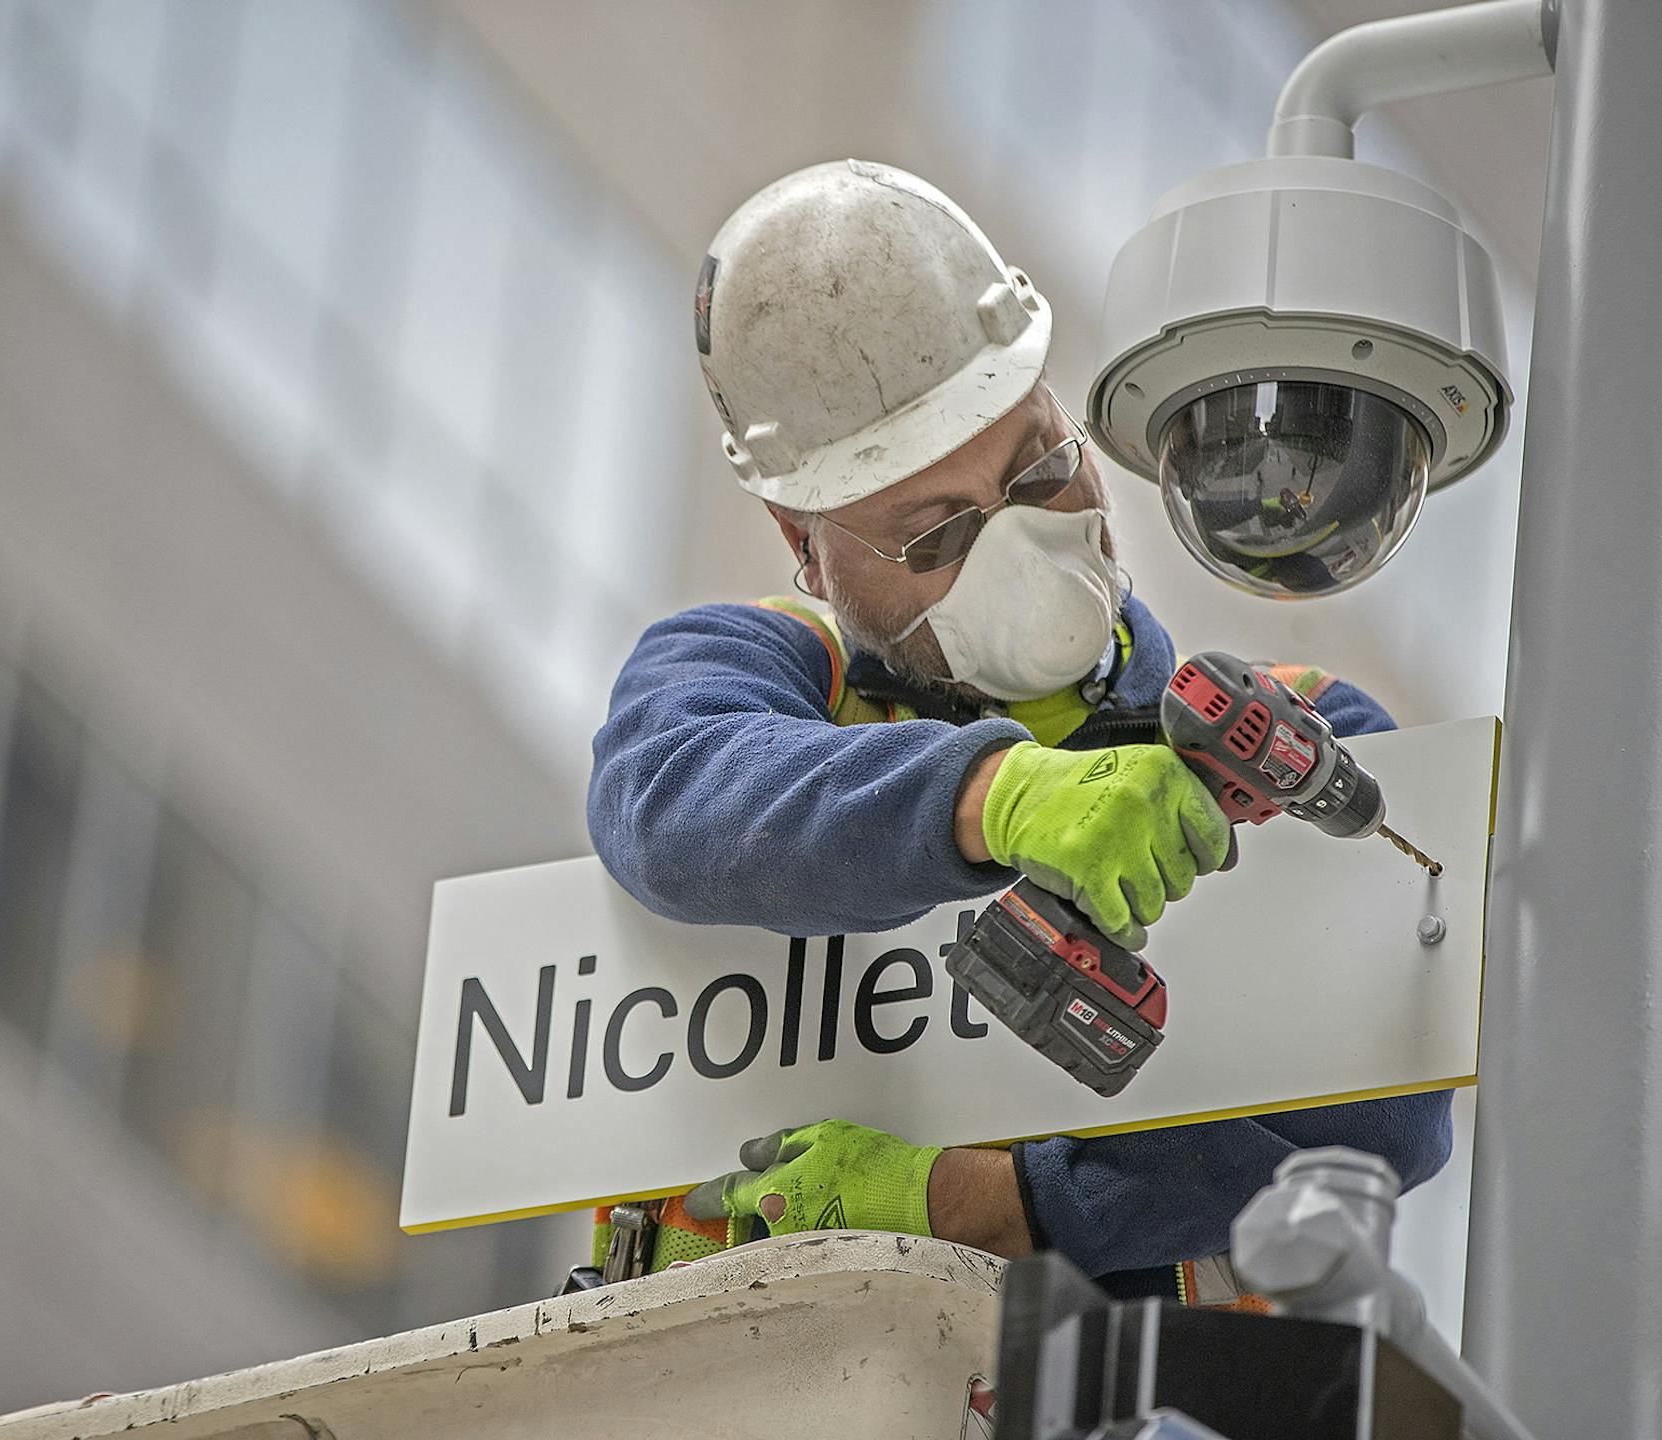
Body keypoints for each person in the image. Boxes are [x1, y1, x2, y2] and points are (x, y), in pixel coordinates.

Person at [583, 160, 1451, 1299]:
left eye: (1040, 471)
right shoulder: (760, 673)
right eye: (935, 537)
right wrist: (995, 796)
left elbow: (1377, 1111)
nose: (1021, 545)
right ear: (806, 547)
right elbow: (668, 796)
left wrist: (978, 1205)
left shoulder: (1297, 744)